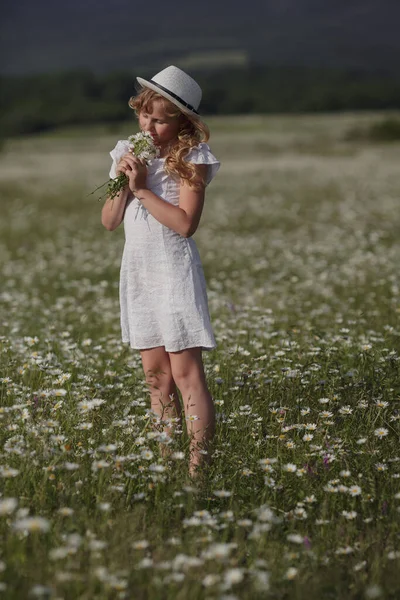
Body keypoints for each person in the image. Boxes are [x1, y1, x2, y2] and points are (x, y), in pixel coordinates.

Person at [101, 65, 220, 478]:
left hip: (173, 270)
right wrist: (122, 180)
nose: (149, 126)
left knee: (186, 374)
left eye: (161, 120)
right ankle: (166, 466)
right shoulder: (126, 151)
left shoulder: (191, 158)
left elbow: (186, 224)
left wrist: (143, 189)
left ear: (182, 122)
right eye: (144, 115)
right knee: (156, 378)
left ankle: (198, 471)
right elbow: (110, 222)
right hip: (139, 271)